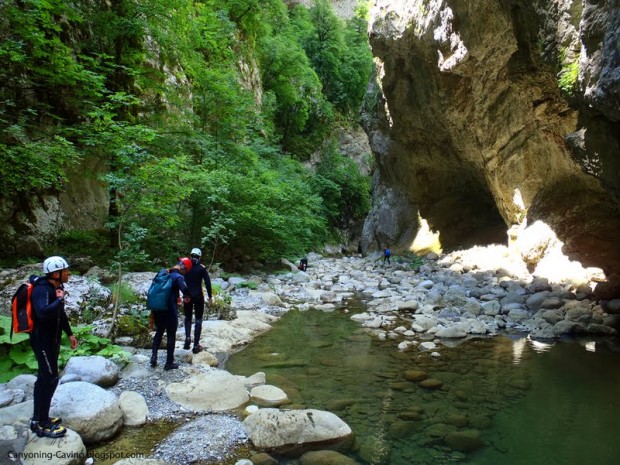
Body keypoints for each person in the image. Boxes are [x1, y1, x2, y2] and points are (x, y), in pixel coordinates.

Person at [29, 256, 78, 438]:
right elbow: (42, 313)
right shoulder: (42, 290)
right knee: (49, 379)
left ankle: (40, 417)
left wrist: (70, 334)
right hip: (41, 341)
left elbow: (60, 314)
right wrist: (59, 299)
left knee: (46, 378)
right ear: (56, 274)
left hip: (52, 341)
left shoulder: (56, 288)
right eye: (65, 271)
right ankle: (40, 423)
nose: (68, 273)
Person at [151, 257, 191, 370]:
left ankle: (153, 357)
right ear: (183, 267)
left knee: (159, 331)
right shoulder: (178, 277)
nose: (185, 273)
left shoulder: (163, 273)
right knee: (171, 335)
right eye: (186, 270)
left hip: (158, 308)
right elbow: (185, 289)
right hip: (169, 309)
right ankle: (169, 363)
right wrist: (187, 297)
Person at [182, 248, 213, 354]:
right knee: (198, 319)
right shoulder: (201, 268)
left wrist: (180, 294)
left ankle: (187, 338)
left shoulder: (185, 267)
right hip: (198, 295)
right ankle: (196, 345)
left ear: (191, 256)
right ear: (199, 257)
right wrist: (210, 297)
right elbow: (208, 283)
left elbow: (179, 280)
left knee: (188, 317)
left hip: (187, 295)